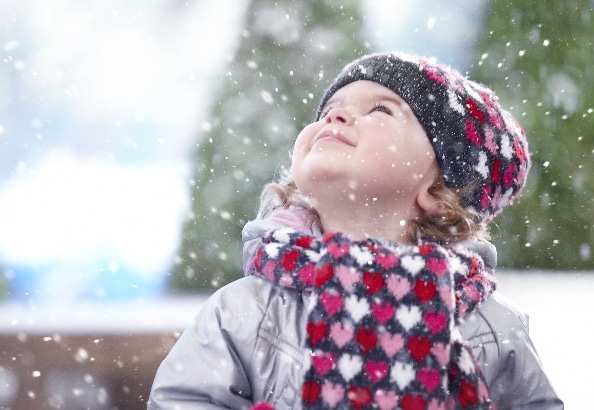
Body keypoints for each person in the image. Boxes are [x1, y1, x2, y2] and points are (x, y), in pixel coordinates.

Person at [148, 52, 563, 410]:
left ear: (439, 192)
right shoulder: (248, 311)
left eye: (381, 110)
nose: (336, 114)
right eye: (332, 107)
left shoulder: (486, 323)